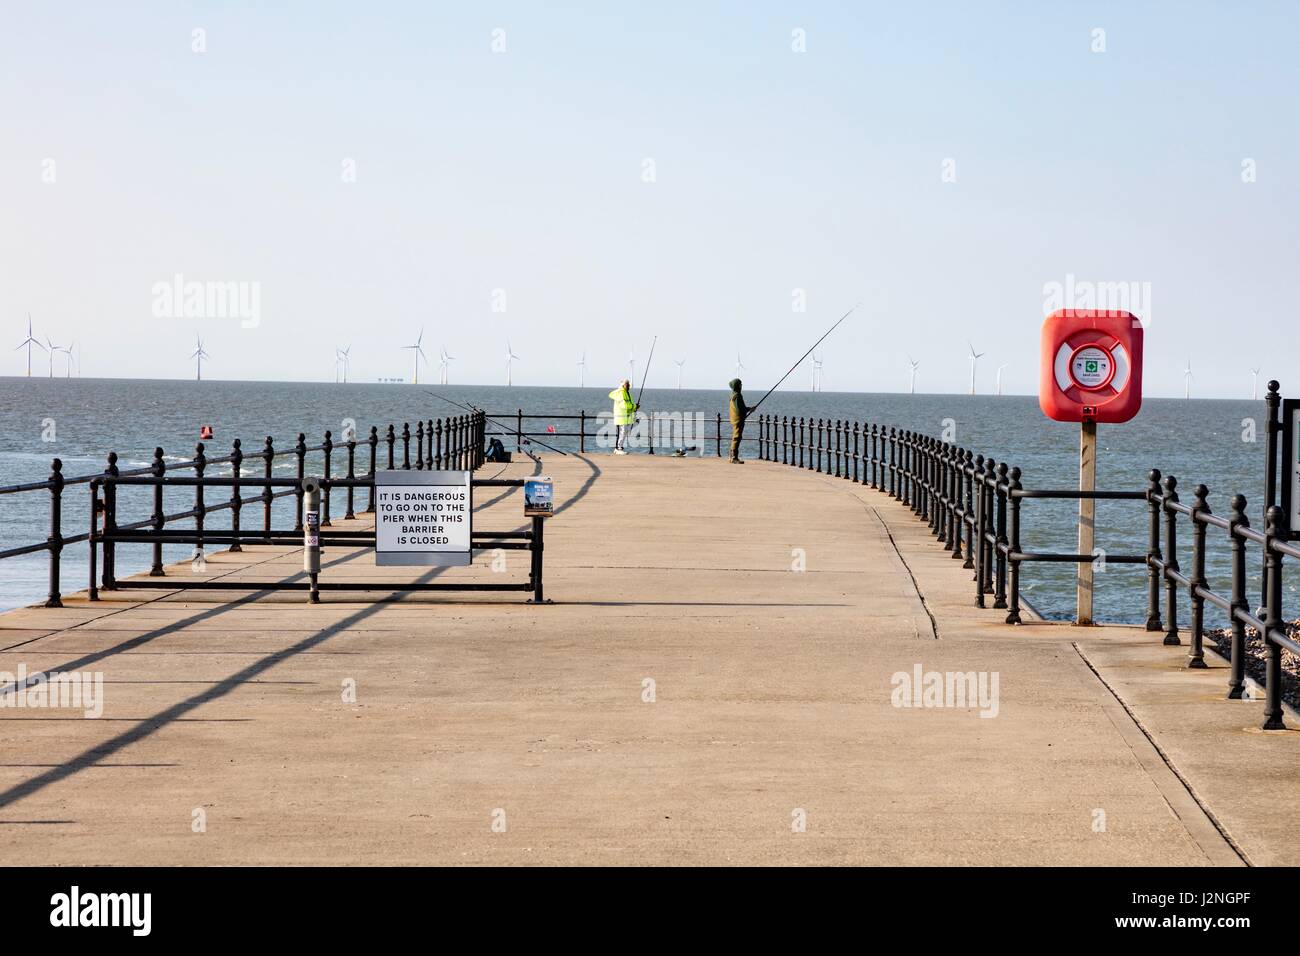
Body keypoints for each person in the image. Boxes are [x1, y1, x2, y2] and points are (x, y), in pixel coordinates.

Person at [608, 379, 638, 454]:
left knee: (624, 433)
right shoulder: (621, 393)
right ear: (623, 385)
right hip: (621, 417)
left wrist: (634, 407)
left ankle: (619, 447)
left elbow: (628, 406)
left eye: (629, 384)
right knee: (621, 432)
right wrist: (634, 406)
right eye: (627, 385)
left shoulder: (627, 393)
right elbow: (624, 405)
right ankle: (618, 448)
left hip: (625, 418)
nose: (629, 386)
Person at [728, 378, 751, 463]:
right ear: (737, 386)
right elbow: (740, 409)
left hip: (734, 419)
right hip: (738, 420)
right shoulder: (737, 396)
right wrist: (749, 409)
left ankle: (731, 456)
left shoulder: (732, 395)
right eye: (740, 385)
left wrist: (748, 409)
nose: (741, 386)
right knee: (737, 437)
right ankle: (734, 458)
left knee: (735, 437)